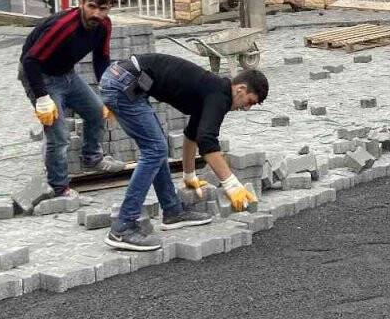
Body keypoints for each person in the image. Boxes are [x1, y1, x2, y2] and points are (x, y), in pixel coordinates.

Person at [99, 52, 268, 251]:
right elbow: (207, 141)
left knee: (157, 146)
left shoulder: (211, 91)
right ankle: (123, 227)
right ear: (240, 89)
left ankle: (173, 212)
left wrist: (189, 175)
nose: (246, 109)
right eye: (249, 102)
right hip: (124, 81)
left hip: (126, 80)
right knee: (155, 149)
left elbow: (193, 135)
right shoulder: (219, 96)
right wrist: (232, 185)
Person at [19, 0, 124, 198]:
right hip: (39, 75)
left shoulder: (103, 26)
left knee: (97, 111)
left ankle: (92, 158)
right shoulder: (64, 26)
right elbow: (30, 60)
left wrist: (108, 92)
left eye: (103, 9)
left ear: (109, 8)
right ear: (81, 3)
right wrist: (41, 97)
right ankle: (59, 187)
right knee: (58, 135)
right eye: (92, 6)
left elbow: (101, 58)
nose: (96, 13)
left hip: (67, 74)